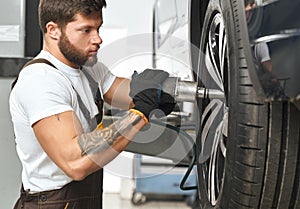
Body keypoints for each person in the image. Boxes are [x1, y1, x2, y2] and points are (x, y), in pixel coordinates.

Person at [10, 0, 175, 208]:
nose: (98, 39)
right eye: (85, 30)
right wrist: (139, 115)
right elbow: (75, 163)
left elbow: (126, 93)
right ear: (53, 30)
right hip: (51, 202)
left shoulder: (89, 69)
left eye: (98, 28)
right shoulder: (40, 80)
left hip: (86, 198)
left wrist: (156, 89)